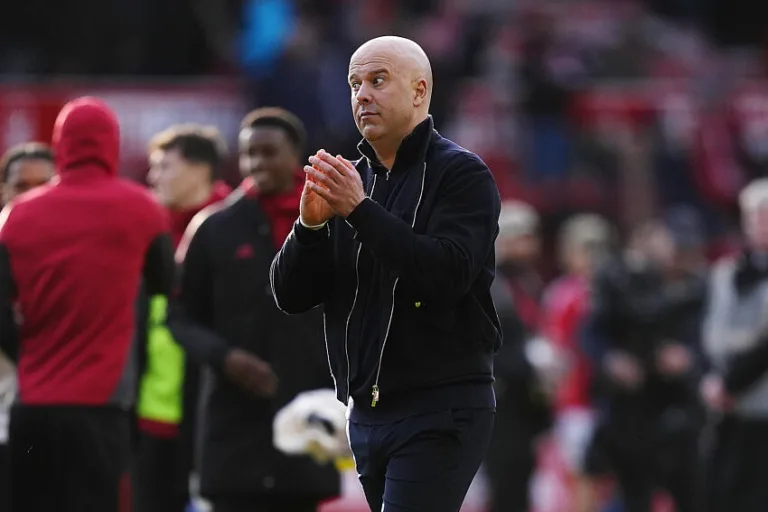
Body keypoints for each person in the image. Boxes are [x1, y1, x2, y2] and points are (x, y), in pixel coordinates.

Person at [270, 36, 502, 511]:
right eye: (355, 84)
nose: (362, 95)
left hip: (442, 404)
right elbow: (291, 296)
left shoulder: (462, 174)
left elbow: (447, 274)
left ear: (419, 91)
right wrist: (308, 229)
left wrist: (359, 211)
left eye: (378, 81)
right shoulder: (351, 181)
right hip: (367, 412)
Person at [0, 97, 174, 512]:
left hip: (32, 403)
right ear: (112, 143)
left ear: (60, 144)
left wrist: (25, 355)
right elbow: (166, 283)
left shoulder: (17, 215)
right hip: (103, 407)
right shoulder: (142, 209)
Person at [167, 107, 340, 512]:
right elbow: (179, 317)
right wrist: (225, 357)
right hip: (232, 427)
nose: (257, 163)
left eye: (269, 152)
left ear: (295, 155)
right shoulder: (213, 227)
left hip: (306, 422)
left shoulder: (333, 224)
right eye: (249, 154)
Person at [133, 124, 232, 512]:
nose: (153, 177)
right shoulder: (149, 230)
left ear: (198, 169)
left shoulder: (233, 228)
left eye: (164, 166)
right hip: (152, 413)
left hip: (214, 413)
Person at [584, 217, 706, 512]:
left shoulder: (694, 285)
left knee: (689, 490)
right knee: (634, 492)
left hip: (677, 403)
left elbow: (705, 340)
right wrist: (612, 359)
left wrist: (687, 357)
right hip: (630, 405)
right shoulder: (616, 280)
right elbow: (591, 332)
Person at [701, 178, 768, 512]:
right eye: (755, 216)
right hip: (729, 411)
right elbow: (707, 332)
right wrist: (711, 380)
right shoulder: (725, 273)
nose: (761, 224)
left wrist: (730, 384)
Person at [0, 141, 54, 510]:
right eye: (22, 186)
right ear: (4, 190)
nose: (31, 196)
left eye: (43, 185)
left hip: (58, 413)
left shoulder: (81, 254)